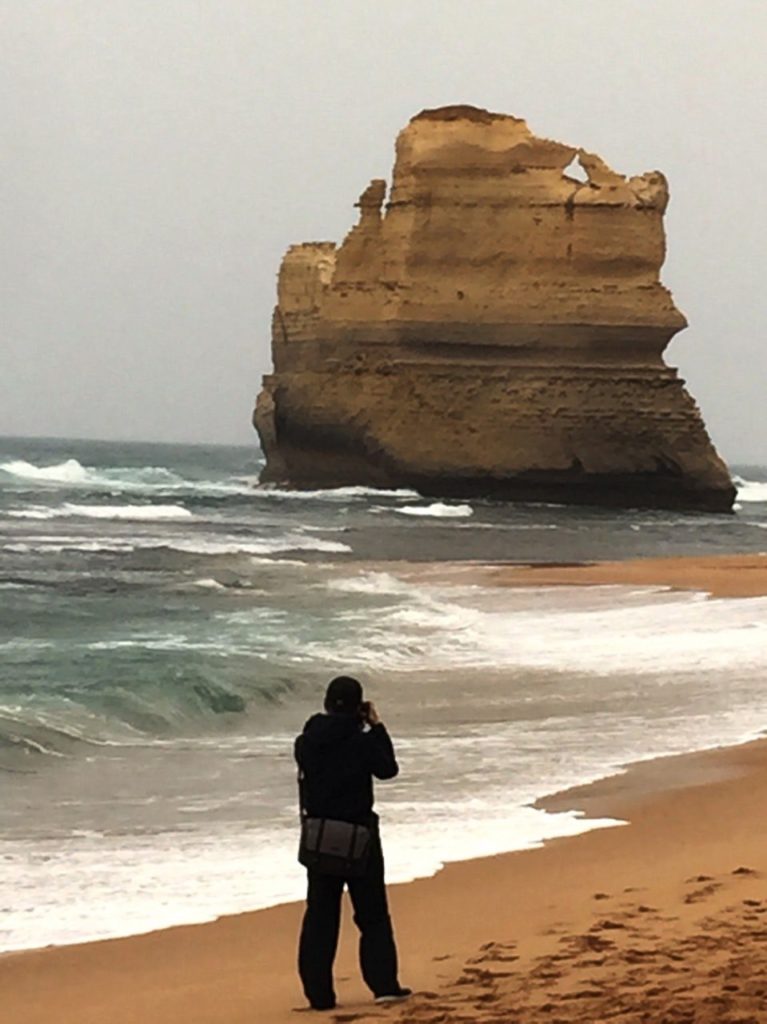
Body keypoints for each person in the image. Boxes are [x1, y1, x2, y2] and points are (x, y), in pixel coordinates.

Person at [294, 675, 411, 1011]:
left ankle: (319, 996)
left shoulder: (305, 743)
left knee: (320, 917)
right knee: (372, 914)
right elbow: (388, 769)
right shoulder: (362, 742)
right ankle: (384, 986)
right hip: (360, 835)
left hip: (320, 837)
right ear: (360, 706)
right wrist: (376, 727)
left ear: (327, 703)